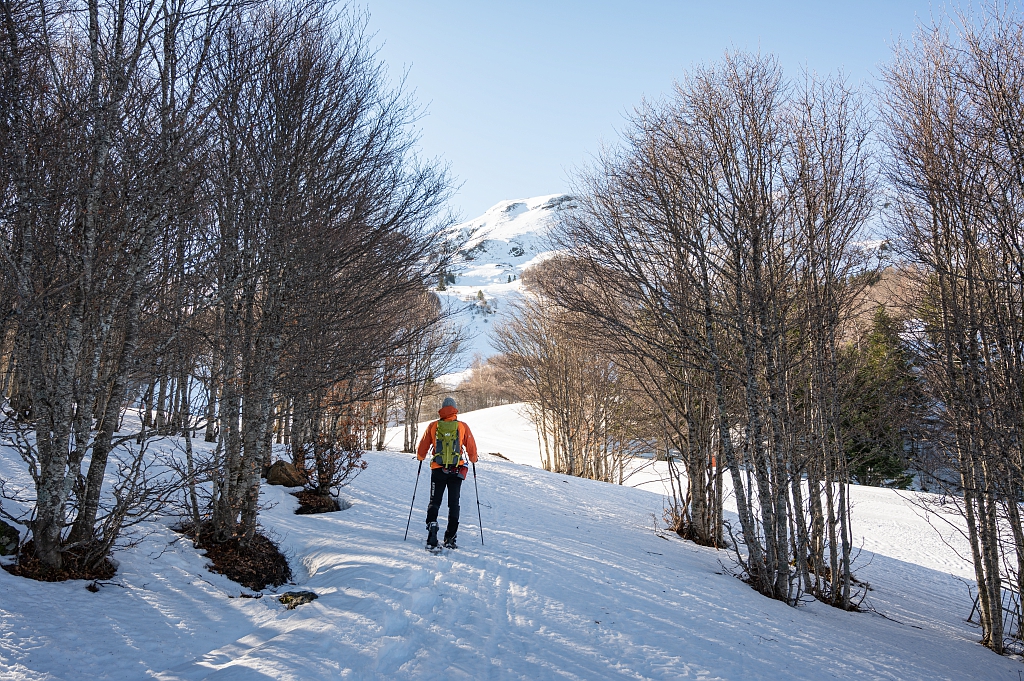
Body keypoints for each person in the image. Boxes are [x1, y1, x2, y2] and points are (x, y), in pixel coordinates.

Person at [416, 396, 478, 549]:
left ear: (442, 409)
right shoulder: (462, 426)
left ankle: (432, 527)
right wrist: (473, 459)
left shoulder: (433, 426)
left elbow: (421, 448)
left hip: (438, 469)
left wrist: (420, 457)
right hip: (456, 470)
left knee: (435, 501)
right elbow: (471, 446)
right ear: (455, 409)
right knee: (454, 504)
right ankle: (450, 537)